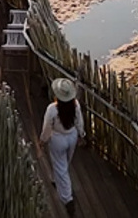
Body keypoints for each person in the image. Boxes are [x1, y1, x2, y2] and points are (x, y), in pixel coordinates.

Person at [40, 77, 85, 215]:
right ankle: (55, 179)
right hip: (71, 136)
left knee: (61, 167)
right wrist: (81, 135)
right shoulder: (75, 105)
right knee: (65, 162)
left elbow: (47, 127)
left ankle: (67, 199)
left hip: (58, 138)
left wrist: (43, 140)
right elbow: (79, 122)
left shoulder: (52, 109)